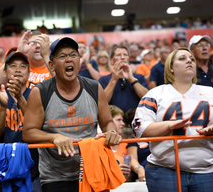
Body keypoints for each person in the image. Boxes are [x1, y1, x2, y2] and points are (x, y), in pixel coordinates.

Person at [22, 37, 122, 192]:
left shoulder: (95, 88)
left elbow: (107, 121)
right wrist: (53, 137)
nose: (69, 59)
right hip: (56, 176)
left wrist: (112, 132)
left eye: (73, 55)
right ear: (52, 65)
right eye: (62, 56)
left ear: (80, 61)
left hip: (93, 169)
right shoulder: (40, 92)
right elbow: (28, 133)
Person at [132, 47, 213, 192]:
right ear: (170, 68)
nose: (189, 61)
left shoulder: (210, 92)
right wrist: (169, 125)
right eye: (182, 58)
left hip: (206, 170)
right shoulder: (155, 94)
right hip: (164, 170)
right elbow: (140, 128)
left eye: (192, 59)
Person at [0, 52, 41, 192]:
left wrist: (20, 98)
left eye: (22, 66)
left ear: (29, 71)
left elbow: (37, 125)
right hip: (2, 172)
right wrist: (3, 107)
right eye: (13, 66)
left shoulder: (37, 95)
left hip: (32, 173)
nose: (18, 69)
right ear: (5, 71)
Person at [99, 45, 149, 114]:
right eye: (118, 55)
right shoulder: (104, 80)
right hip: (113, 121)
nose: (122, 57)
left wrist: (132, 80)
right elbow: (101, 103)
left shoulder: (140, 78)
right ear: (112, 60)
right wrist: (113, 80)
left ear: (129, 58)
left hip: (135, 120)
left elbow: (148, 100)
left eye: (125, 55)